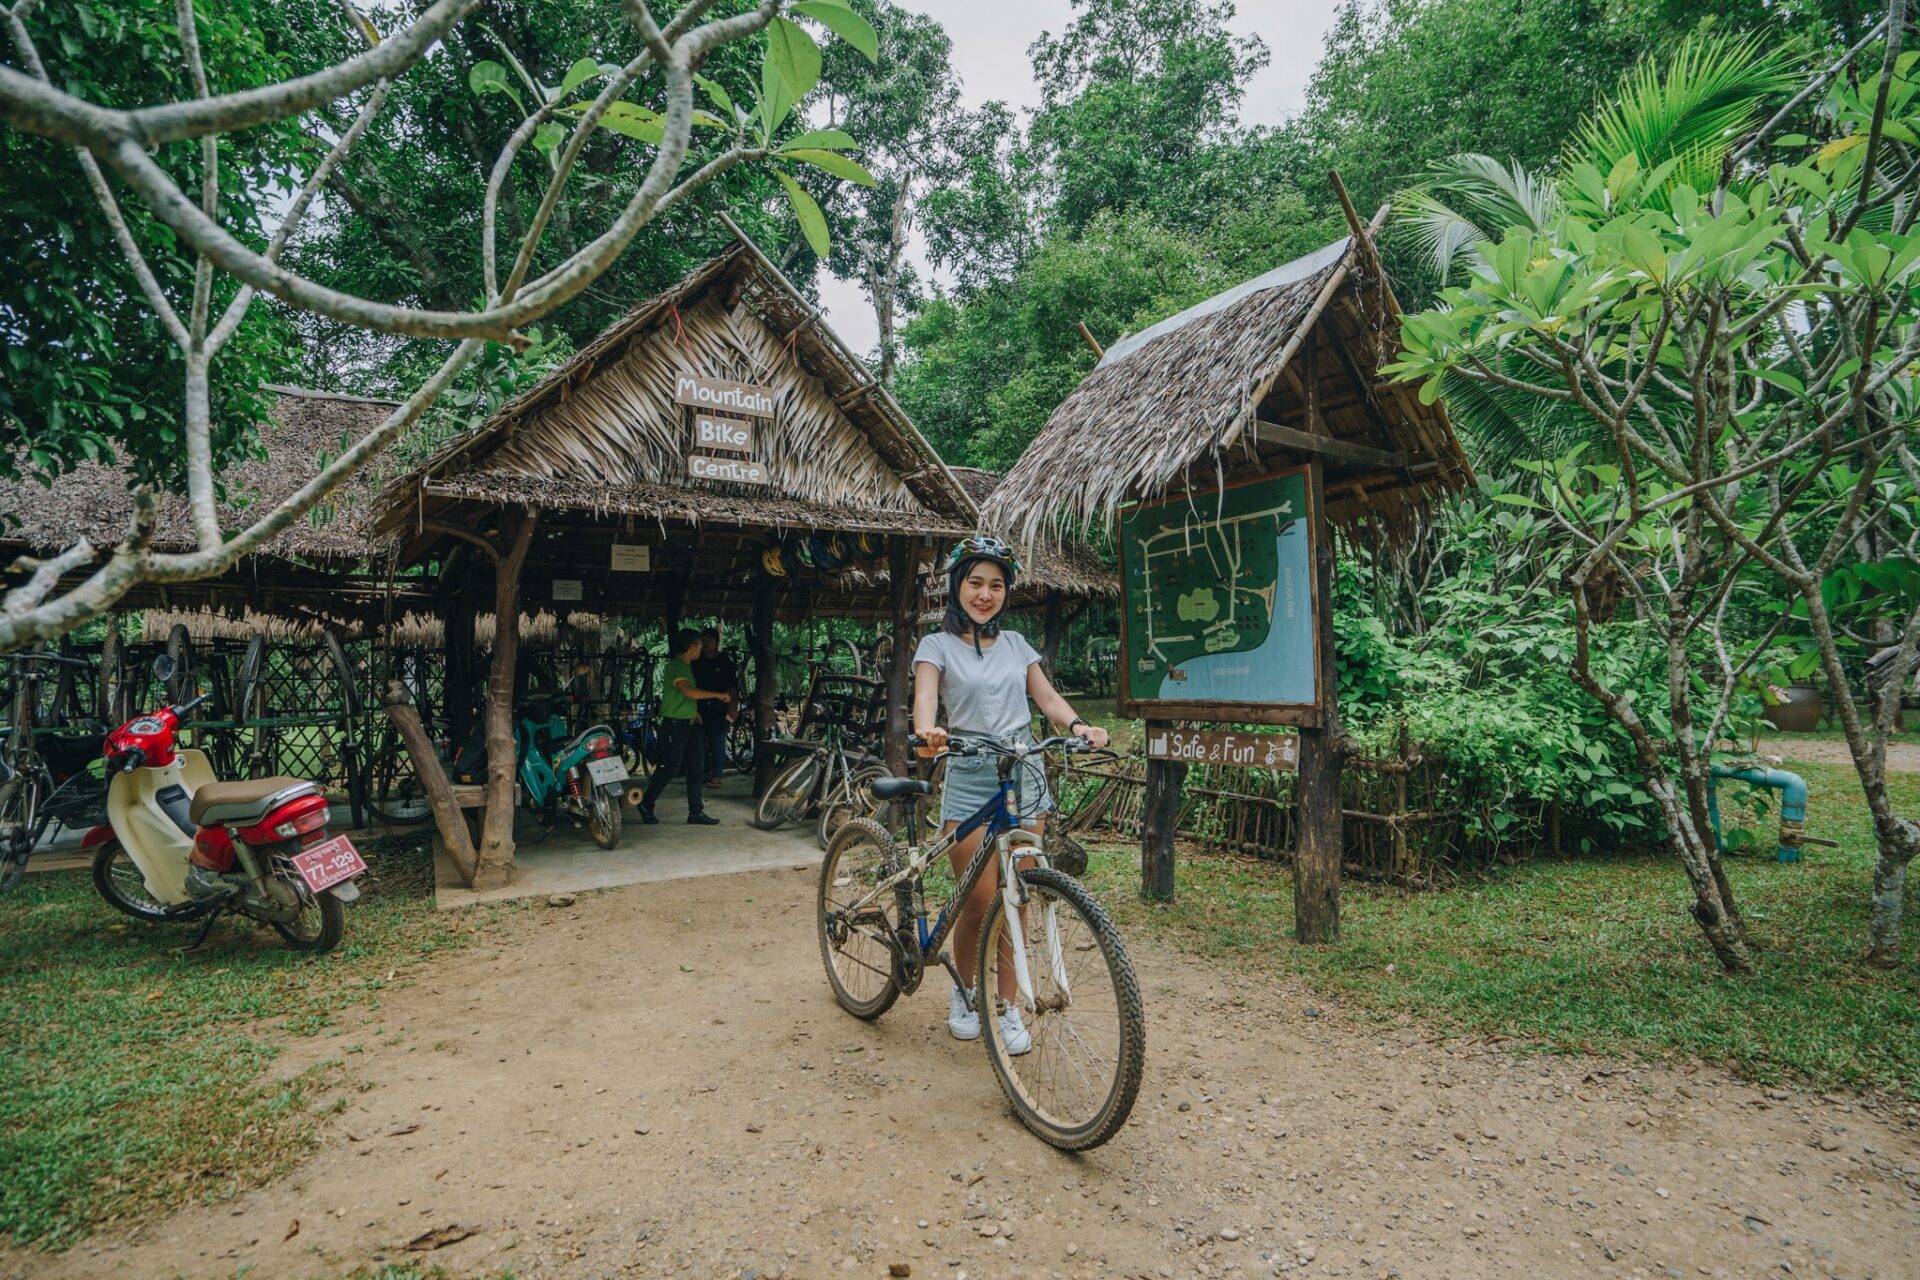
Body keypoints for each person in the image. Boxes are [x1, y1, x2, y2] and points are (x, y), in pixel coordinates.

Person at [912, 535, 1110, 1055]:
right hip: (970, 772)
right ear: (958, 588)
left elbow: (1046, 698)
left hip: (1024, 773)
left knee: (1017, 894)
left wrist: (1080, 724)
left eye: (996, 585)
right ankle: (966, 992)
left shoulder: (1018, 644)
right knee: (977, 901)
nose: (985, 594)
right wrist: (929, 732)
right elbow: (926, 698)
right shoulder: (935, 646)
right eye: (975, 583)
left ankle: (1009, 1005)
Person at [638, 628, 729, 826]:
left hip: (690, 724)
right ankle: (646, 803)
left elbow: (682, 696)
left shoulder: (687, 666)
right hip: (675, 726)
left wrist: (692, 712)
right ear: (691, 646)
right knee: (670, 767)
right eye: (699, 644)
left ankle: (695, 812)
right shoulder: (677, 666)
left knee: (697, 768)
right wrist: (717, 694)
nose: (701, 648)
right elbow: (687, 691)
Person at [692, 626, 737, 787]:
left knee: (717, 742)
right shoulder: (696, 661)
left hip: (720, 708)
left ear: (717, 642)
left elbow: (732, 686)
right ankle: (702, 774)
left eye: (710, 640)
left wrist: (733, 708)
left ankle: (716, 777)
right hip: (699, 709)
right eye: (703, 640)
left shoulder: (724, 660)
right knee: (699, 743)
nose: (706, 643)